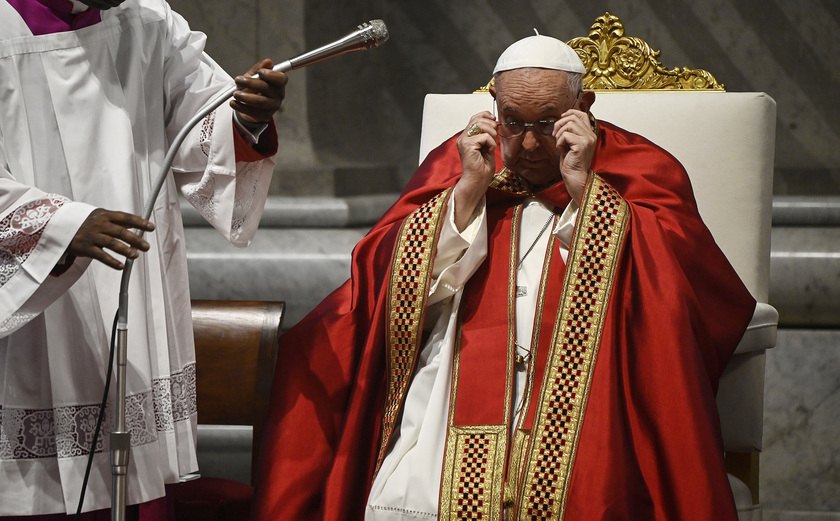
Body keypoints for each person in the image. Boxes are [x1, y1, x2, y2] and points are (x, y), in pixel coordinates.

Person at [252, 34, 756, 521]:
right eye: (513, 121)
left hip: (596, 391)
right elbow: (384, 276)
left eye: (549, 122)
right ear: (493, 103)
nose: (532, 143)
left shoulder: (642, 166)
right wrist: (468, 193)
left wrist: (588, 194)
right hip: (455, 384)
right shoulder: (463, 159)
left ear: (585, 103)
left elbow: (690, 283)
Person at [0, 0, 287, 517]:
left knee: (130, 482)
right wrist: (57, 226)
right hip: (30, 309)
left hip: (134, 286)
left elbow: (207, 122)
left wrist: (248, 114)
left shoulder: (147, 21)